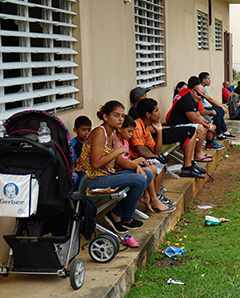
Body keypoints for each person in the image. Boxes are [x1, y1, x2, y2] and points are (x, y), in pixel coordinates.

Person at [77, 100, 152, 233]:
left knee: (147, 174)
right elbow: (95, 164)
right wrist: (119, 150)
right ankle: (127, 218)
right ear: (106, 117)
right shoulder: (99, 132)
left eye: (122, 116)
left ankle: (116, 214)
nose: (120, 119)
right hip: (92, 180)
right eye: (116, 115)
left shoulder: (111, 132)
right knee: (139, 180)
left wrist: (136, 167)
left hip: (107, 174)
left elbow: (119, 161)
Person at [132, 98, 206, 180]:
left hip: (139, 158)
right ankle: (157, 192)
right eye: (156, 111)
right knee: (159, 164)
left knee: (161, 163)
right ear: (148, 114)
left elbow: (157, 151)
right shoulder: (137, 127)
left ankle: (158, 191)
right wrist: (158, 157)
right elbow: (140, 151)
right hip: (133, 160)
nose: (159, 113)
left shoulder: (145, 130)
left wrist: (159, 131)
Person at [116, 115, 174, 213]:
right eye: (129, 132)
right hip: (122, 169)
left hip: (129, 164)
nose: (131, 135)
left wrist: (159, 132)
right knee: (149, 170)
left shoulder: (126, 141)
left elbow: (157, 151)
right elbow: (119, 163)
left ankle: (152, 197)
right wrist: (136, 163)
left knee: (156, 166)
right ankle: (153, 199)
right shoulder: (116, 141)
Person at [166, 78, 221, 160]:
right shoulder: (187, 100)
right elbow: (194, 119)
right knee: (200, 127)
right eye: (198, 94)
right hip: (174, 126)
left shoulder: (194, 100)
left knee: (204, 125)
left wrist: (208, 123)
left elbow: (198, 115)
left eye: (202, 97)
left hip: (183, 124)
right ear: (192, 90)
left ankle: (199, 152)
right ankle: (197, 154)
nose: (199, 97)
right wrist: (208, 126)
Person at [196, 72, 236, 141]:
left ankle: (225, 132)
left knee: (219, 110)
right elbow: (210, 99)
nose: (210, 80)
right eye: (208, 79)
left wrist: (221, 107)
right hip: (201, 109)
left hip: (204, 107)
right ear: (203, 80)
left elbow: (210, 99)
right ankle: (219, 134)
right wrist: (222, 106)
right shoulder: (199, 88)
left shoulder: (203, 88)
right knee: (217, 111)